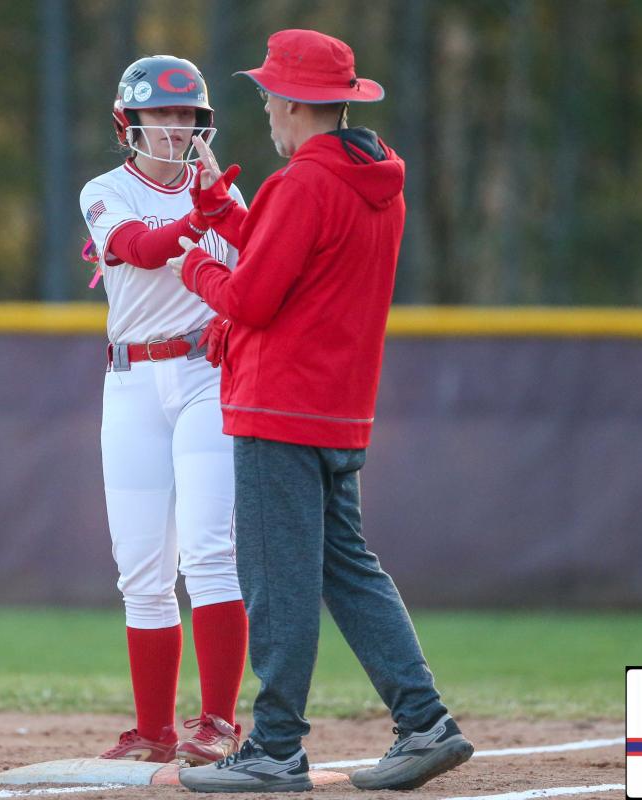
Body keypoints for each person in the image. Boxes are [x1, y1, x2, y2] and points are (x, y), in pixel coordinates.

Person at [166, 30, 475, 792]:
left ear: (296, 104)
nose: (266, 107)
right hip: (337, 411)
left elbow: (251, 296)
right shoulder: (373, 178)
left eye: (270, 95)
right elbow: (286, 253)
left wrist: (193, 265)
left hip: (277, 408)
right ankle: (425, 720)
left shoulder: (301, 182)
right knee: (349, 570)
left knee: (276, 581)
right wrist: (220, 210)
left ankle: (275, 747)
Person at [78, 54, 248, 766]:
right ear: (130, 121)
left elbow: (258, 265)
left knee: (209, 551)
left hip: (206, 373)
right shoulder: (106, 189)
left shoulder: (224, 194)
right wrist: (202, 213)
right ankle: (153, 731)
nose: (176, 126)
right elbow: (141, 250)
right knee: (141, 566)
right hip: (132, 380)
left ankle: (218, 723)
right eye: (162, 113)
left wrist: (225, 212)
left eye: (187, 114)